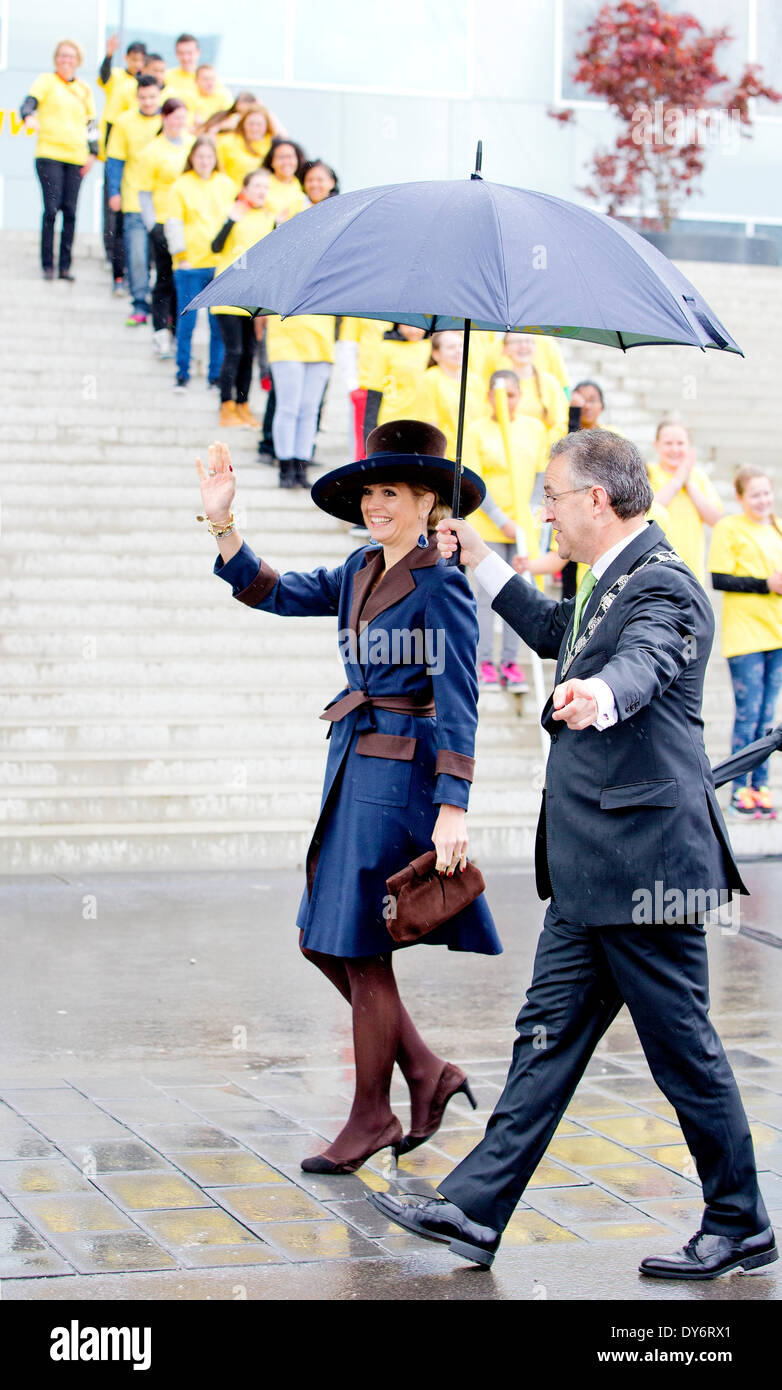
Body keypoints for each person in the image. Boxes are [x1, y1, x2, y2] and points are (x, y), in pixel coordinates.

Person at [371, 427, 777, 1281]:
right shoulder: (607, 579)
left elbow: (647, 659)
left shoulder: (666, 583)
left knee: (683, 1050)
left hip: (647, 869)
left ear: (598, 499)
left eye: (552, 495)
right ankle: (475, 1214)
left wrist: (601, 694)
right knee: (543, 1040)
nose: (543, 510)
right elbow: (562, 630)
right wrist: (480, 559)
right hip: (595, 870)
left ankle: (740, 1220)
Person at [198, 420, 502, 1172]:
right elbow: (273, 593)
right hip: (351, 764)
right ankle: (427, 1072)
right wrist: (224, 522)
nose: (373, 504)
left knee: (360, 948)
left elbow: (460, 701)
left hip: (401, 777)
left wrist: (453, 804)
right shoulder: (361, 567)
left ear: (429, 501)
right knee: (319, 936)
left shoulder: (443, 585)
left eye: (390, 492)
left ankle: (372, 1115)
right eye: (368, 492)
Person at [463, 371, 549, 692]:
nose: (507, 400)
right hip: (489, 527)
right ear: (488, 396)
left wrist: (530, 515)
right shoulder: (476, 432)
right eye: (501, 394)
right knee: (487, 596)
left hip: (524, 526)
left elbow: (541, 474)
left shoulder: (533, 429)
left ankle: (510, 662)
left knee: (519, 594)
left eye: (513, 394)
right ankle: (484, 660)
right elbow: (476, 483)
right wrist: (502, 520)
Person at [709, 466, 782, 820]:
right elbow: (719, 577)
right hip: (746, 638)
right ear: (740, 498)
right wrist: (765, 583)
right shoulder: (729, 527)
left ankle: (761, 786)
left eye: (766, 493)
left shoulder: (778, 526)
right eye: (755, 495)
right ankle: (739, 789)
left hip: (778, 634)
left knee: (769, 718)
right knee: (748, 715)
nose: (763, 501)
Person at [21, 39, 98, 282]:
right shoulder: (46, 81)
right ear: (56, 59)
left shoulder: (84, 89)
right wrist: (28, 117)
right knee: (52, 210)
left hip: (76, 157)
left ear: (78, 61)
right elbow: (28, 104)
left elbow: (91, 125)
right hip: (49, 155)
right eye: (62, 56)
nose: (67, 60)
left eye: (71, 56)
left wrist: (93, 153)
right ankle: (48, 265)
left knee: (71, 212)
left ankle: (65, 266)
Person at [165, 136, 235, 392]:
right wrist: (181, 256)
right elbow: (173, 223)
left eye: (209, 156)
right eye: (200, 156)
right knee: (187, 322)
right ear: (192, 158)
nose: (204, 161)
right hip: (190, 265)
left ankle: (214, 375)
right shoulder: (181, 185)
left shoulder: (226, 184)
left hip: (219, 265)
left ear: (215, 159)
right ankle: (182, 372)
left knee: (218, 324)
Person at [209, 169, 274, 427]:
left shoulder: (267, 218)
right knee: (234, 351)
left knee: (249, 353)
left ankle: (242, 406)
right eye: (256, 186)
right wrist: (231, 220)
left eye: (265, 187)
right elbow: (215, 247)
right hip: (228, 295)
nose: (261, 191)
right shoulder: (232, 211)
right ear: (244, 188)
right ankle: (226, 405)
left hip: (252, 296)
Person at [106, 75, 163, 326]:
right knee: (138, 256)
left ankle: (164, 309)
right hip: (134, 201)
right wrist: (113, 192)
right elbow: (115, 161)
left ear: (159, 95)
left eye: (152, 96)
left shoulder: (169, 120)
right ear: (137, 97)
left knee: (162, 259)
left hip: (163, 205)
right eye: (143, 97)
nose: (148, 101)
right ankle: (139, 303)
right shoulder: (124, 122)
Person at [137, 98, 192, 358]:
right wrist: (151, 226)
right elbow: (144, 192)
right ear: (164, 118)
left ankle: (180, 336)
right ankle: (161, 334)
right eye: (174, 117)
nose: (178, 122)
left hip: (187, 225)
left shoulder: (193, 146)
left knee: (183, 283)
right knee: (164, 281)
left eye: (183, 117)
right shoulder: (152, 151)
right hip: (162, 221)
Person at [97, 35, 147, 289]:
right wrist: (108, 55)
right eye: (133, 58)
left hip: (136, 153)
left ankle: (130, 263)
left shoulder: (145, 85)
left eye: (141, 59)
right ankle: (110, 254)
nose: (136, 63)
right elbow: (103, 77)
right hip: (114, 144)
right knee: (112, 206)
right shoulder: (117, 76)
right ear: (126, 58)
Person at [265, 309, 335, 487]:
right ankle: (285, 467)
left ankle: (301, 466)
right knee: (288, 409)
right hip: (287, 343)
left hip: (321, 346)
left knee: (310, 411)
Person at [647, 419, 722, 585]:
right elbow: (648, 511)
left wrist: (689, 484)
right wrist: (677, 480)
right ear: (656, 445)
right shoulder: (649, 472)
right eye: (668, 443)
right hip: (656, 565)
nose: (674, 449)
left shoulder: (698, 476)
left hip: (691, 568)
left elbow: (716, 519)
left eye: (680, 443)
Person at [485, 334, 568, 452]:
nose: (523, 346)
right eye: (517, 342)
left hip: (540, 455)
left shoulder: (550, 383)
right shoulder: (498, 384)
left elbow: (559, 425)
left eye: (528, 341)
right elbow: (488, 419)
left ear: (535, 347)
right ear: (505, 349)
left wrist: (539, 448)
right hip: (501, 452)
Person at [414, 330, 483, 459]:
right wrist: (441, 459)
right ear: (436, 354)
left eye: (461, 346)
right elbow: (430, 425)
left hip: (474, 455)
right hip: (446, 456)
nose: (458, 351)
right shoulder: (430, 379)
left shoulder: (475, 380)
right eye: (451, 347)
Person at [363, 325, 431, 451]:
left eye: (418, 325)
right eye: (408, 325)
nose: (413, 330)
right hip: (393, 421)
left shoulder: (433, 348)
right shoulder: (386, 348)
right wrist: (369, 434)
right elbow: (375, 392)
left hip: (426, 423)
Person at [164, 33, 231, 117]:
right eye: (181, 53)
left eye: (190, 53)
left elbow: (225, 103)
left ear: (198, 53)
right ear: (176, 54)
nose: (186, 58)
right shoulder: (167, 76)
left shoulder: (209, 77)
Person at [217, 106, 274, 190]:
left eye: (259, 124)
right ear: (243, 124)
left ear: (266, 126)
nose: (255, 128)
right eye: (251, 124)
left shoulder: (272, 144)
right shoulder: (227, 142)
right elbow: (219, 172)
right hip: (235, 193)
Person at [261, 137, 309, 222]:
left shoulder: (304, 186)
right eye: (280, 157)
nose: (286, 162)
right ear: (271, 162)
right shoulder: (261, 184)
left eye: (289, 157)